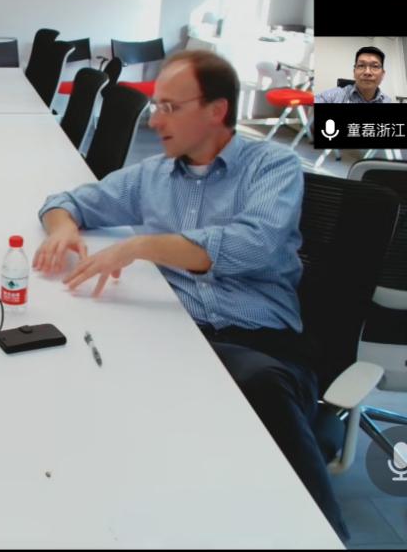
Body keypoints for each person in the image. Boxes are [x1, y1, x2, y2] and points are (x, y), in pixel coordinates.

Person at [34, 50, 349, 541]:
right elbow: (66, 202)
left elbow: (253, 244)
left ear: (216, 110)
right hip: (181, 335)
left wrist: (142, 245)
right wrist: (62, 229)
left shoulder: (273, 167)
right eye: (155, 106)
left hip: (261, 342)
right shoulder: (153, 175)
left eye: (170, 107)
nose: (154, 120)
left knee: (257, 384)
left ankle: (325, 534)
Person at [315, 46, 394, 104]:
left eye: (375, 66)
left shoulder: (387, 101)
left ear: (382, 74)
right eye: (361, 65)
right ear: (354, 72)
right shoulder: (332, 97)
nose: (367, 72)